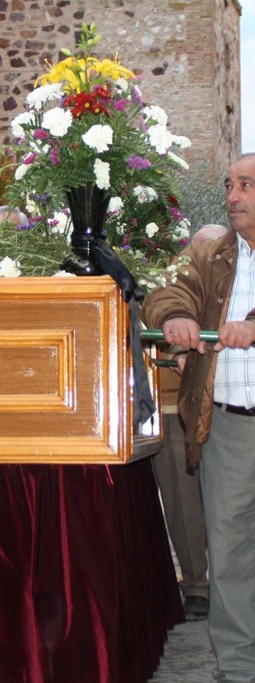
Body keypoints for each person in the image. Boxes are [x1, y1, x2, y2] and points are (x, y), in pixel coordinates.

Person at [143, 154, 255, 683]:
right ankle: (238, 668)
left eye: (246, 185)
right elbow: (167, 289)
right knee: (228, 550)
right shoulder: (210, 252)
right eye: (229, 185)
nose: (233, 196)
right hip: (228, 426)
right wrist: (177, 316)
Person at [151, 223, 225, 622]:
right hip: (174, 407)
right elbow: (158, 318)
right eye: (200, 250)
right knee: (183, 503)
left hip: (229, 408)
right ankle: (197, 585)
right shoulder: (171, 281)